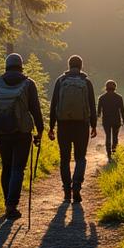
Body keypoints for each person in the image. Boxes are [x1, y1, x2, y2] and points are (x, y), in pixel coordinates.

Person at [0, 53, 44, 220]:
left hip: (1, 132)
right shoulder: (28, 84)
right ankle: (11, 206)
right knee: (18, 168)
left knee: (7, 167)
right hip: (22, 133)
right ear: (20, 65)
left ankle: (7, 203)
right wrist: (40, 130)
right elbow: (35, 109)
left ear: (6, 66)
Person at [48, 55, 97, 204]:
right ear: (81, 66)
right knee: (80, 158)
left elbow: (54, 104)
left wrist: (51, 127)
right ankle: (76, 186)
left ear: (68, 66)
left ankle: (66, 191)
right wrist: (93, 125)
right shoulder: (86, 82)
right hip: (81, 125)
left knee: (64, 159)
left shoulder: (61, 81)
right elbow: (92, 106)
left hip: (63, 125)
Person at [97, 79, 124, 160]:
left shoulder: (101, 98)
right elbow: (122, 110)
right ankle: (114, 151)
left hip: (106, 121)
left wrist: (98, 118)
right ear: (115, 87)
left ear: (106, 87)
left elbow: (98, 112)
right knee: (115, 137)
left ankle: (109, 155)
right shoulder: (119, 97)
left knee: (108, 137)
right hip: (116, 120)